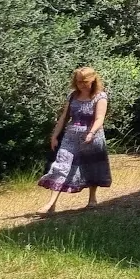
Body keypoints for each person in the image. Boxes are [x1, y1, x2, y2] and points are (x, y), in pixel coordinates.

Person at [38, 67, 112, 213]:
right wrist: (54, 136)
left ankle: (92, 198)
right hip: (70, 137)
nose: (81, 85)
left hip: (92, 137)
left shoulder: (100, 97)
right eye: (79, 82)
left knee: (92, 165)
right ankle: (51, 204)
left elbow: (99, 119)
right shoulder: (72, 96)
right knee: (61, 165)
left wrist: (91, 133)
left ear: (93, 80)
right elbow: (64, 118)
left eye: (85, 82)